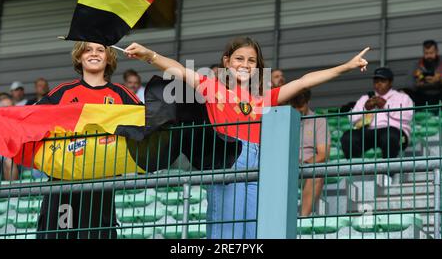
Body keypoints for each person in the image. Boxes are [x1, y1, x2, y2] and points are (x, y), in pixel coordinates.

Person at [123, 36, 369, 239]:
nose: (245, 64)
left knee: (255, 233)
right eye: (239, 58)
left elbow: (303, 81)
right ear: (227, 62)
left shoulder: (264, 97)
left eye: (252, 60)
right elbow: (179, 69)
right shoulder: (212, 87)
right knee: (226, 233)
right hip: (228, 160)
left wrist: (345, 67)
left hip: (261, 164)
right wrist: (149, 55)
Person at [36, 41, 141, 239]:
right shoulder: (63, 91)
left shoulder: (121, 93)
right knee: (55, 234)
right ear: (79, 56)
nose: (94, 54)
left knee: (95, 235)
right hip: (62, 180)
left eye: (100, 50)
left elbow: (146, 120)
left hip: (101, 182)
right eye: (88, 50)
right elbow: (32, 116)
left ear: (109, 57)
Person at [341, 67, 413, 160]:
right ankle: (356, 171)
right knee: (348, 137)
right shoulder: (365, 98)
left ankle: (388, 172)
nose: (379, 84)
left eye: (382, 81)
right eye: (376, 81)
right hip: (369, 131)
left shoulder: (402, 97)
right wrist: (365, 108)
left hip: (394, 132)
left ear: (390, 82)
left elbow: (407, 116)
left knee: (389, 136)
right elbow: (352, 119)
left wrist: (385, 105)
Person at [291, 88, 330, 216]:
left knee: (317, 174)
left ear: (307, 102)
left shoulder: (319, 121)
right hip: (287, 167)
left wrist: (303, 163)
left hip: (307, 168)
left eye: (300, 106)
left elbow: (323, 154)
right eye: (294, 106)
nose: (297, 110)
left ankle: (303, 218)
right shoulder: (284, 120)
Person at [412, 40, 442, 108]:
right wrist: (417, 84)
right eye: (426, 53)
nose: (429, 56)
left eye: (431, 53)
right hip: (422, 95)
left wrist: (440, 80)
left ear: (437, 51)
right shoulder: (417, 65)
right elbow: (409, 84)